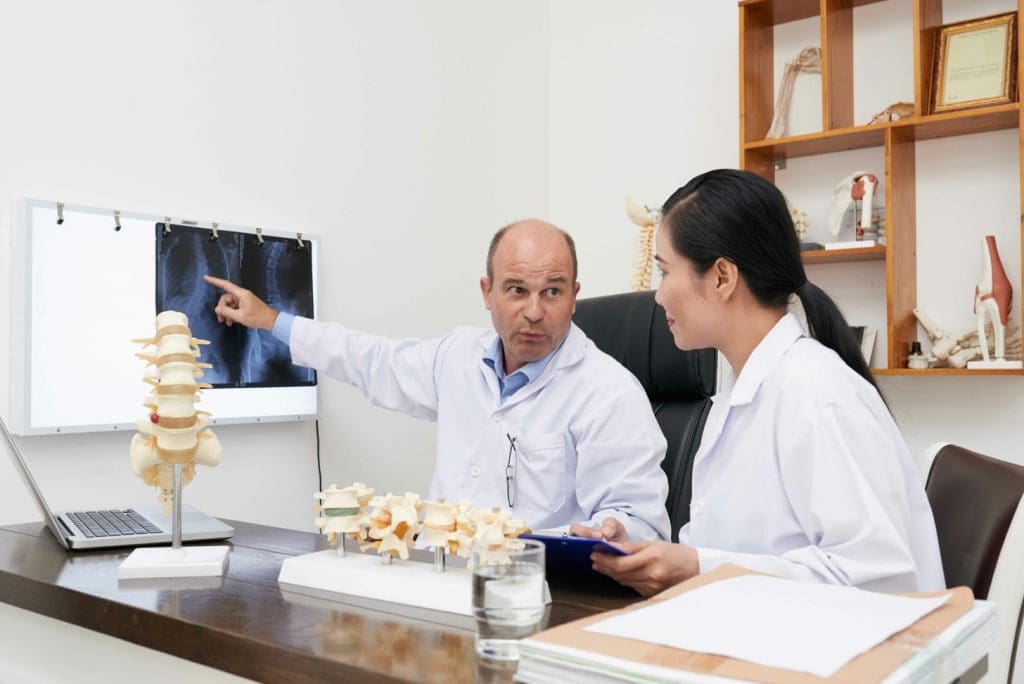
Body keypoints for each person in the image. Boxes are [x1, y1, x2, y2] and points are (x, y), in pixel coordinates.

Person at [572, 169, 944, 595]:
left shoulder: (817, 395)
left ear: (722, 277)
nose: (658, 297)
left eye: (665, 272)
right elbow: (723, 549)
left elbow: (879, 581)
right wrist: (644, 555)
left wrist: (696, 568)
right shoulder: (738, 390)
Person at [204, 219, 671, 540]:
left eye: (552, 291)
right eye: (516, 290)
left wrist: (615, 528)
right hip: (440, 583)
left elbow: (638, 521)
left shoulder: (609, 393)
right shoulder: (458, 356)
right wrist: (272, 321)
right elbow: (371, 359)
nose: (534, 311)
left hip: (536, 597)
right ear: (487, 293)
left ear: (574, 296)